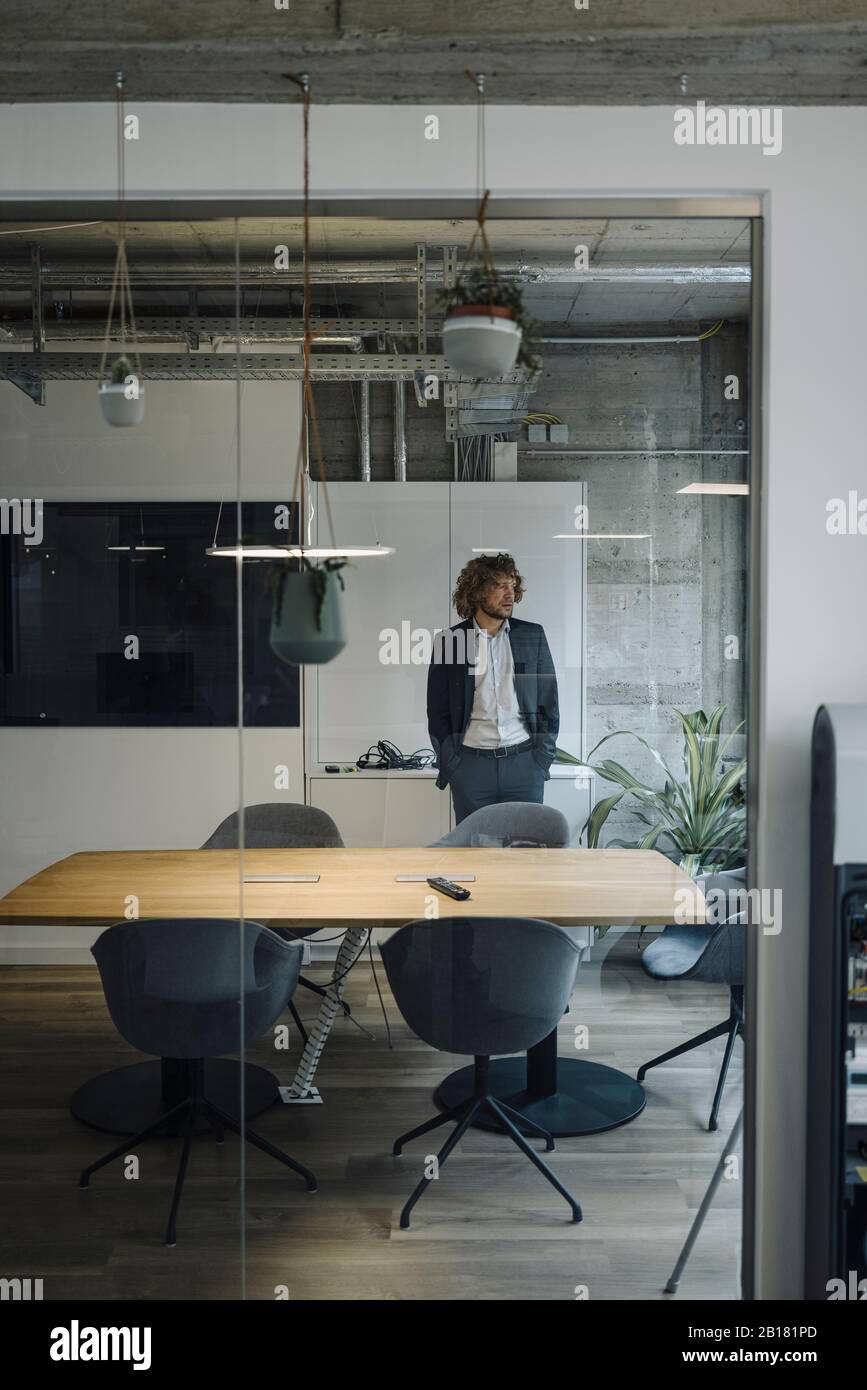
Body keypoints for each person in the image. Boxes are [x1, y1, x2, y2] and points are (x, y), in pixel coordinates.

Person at [427, 552, 559, 824]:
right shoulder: (451, 641)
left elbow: (549, 702)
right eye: (499, 586)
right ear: (476, 592)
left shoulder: (531, 636)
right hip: (471, 768)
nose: (509, 594)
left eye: (512, 585)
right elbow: (437, 712)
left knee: (526, 851)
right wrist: (453, 765)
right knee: (475, 853)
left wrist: (541, 761)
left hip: (524, 764)